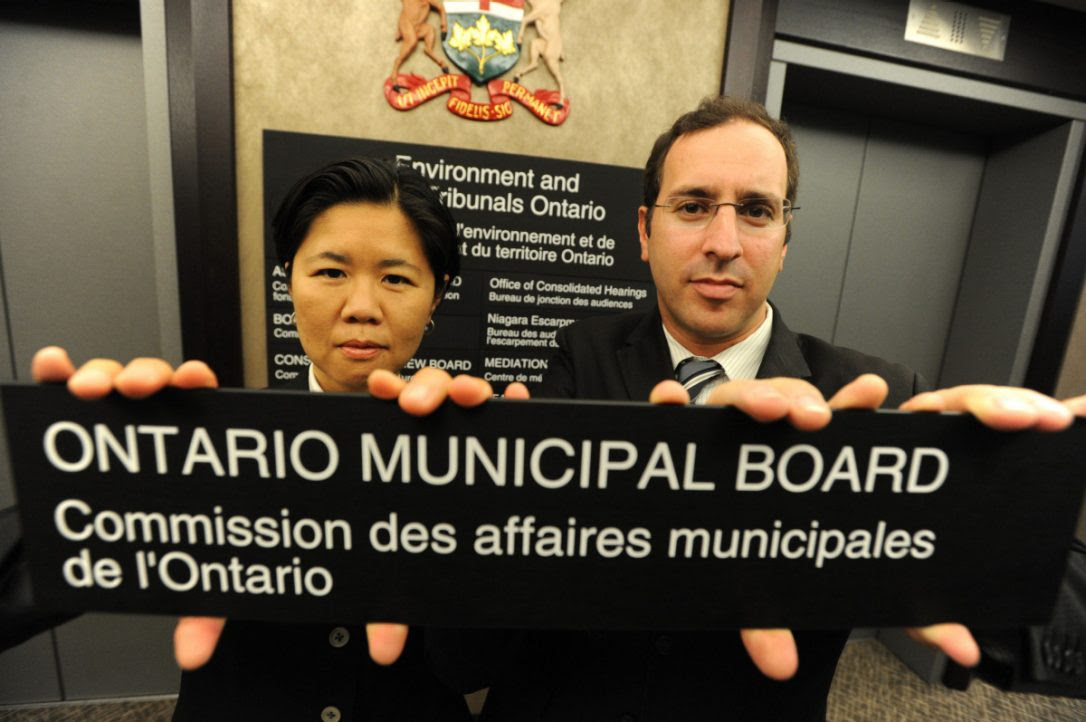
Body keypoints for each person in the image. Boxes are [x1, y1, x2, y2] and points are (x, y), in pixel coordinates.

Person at [408, 96, 1084, 720]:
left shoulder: (875, 397)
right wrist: (467, 519)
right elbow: (471, 648)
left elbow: (1043, 603)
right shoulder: (581, 354)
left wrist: (994, 522)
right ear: (644, 230)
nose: (724, 243)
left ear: (785, 240)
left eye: (757, 210)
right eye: (693, 205)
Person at [23, 157, 479, 721]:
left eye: (396, 279)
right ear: (289, 279)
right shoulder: (213, 446)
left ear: (436, 296)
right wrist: (92, 480)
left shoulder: (472, 458)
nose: (362, 308)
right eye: (331, 272)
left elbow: (473, 667)